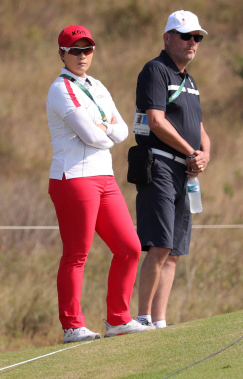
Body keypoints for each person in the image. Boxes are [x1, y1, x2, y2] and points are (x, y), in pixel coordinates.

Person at [46, 25, 154, 343]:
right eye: (74, 50)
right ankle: (72, 326)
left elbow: (121, 131)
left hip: (103, 176)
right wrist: (103, 128)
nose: (82, 56)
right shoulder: (60, 88)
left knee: (130, 248)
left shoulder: (97, 84)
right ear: (62, 53)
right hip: (73, 177)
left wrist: (101, 127)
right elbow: (94, 135)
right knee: (77, 253)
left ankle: (118, 319)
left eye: (87, 49)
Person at [134, 11, 210, 329]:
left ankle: (160, 322)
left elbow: (200, 128)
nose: (192, 42)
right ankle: (143, 317)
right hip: (160, 164)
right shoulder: (156, 70)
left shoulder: (189, 80)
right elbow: (156, 120)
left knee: (175, 250)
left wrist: (204, 154)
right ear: (168, 38)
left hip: (185, 171)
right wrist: (191, 152)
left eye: (197, 37)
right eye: (186, 36)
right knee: (160, 244)